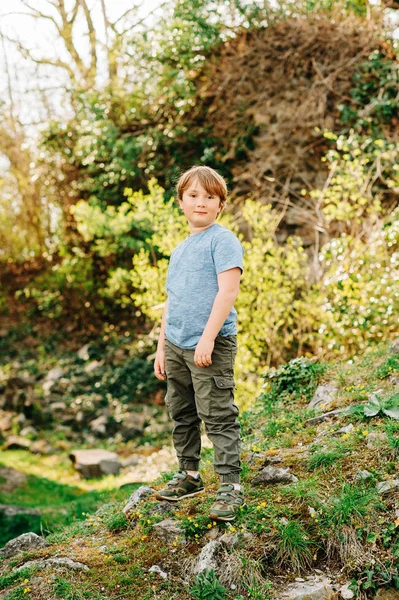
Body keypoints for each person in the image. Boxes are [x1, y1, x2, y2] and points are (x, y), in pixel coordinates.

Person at [153, 165, 245, 521]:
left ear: (220, 205)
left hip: (211, 344)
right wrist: (162, 347)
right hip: (176, 345)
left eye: (209, 197)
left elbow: (228, 291)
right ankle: (189, 474)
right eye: (193, 196)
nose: (201, 203)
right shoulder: (179, 250)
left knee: (217, 414)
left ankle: (230, 486)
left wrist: (207, 338)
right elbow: (172, 301)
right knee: (182, 412)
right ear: (181, 202)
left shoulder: (222, 241)